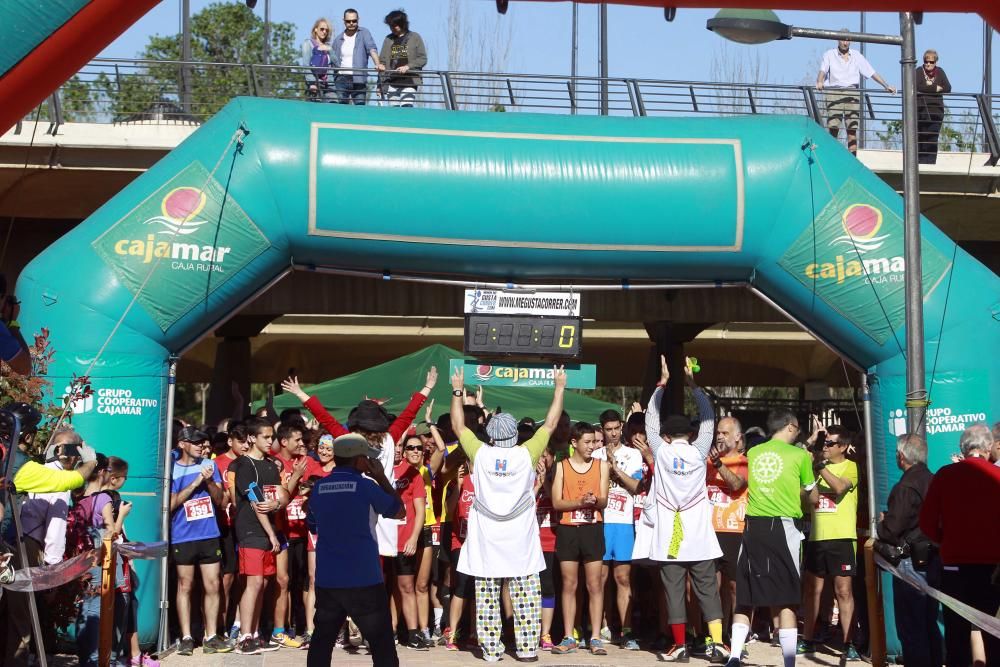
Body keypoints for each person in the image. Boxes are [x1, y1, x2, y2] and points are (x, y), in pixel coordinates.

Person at [450, 365, 566, 663]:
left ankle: (491, 650)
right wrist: (559, 388)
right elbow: (551, 424)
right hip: (520, 537)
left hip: (487, 536)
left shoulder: (480, 452)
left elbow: (458, 426)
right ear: (515, 433)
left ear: (489, 434)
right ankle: (527, 650)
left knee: (487, 595)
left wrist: (457, 391)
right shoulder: (527, 452)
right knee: (526, 594)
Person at [644, 355, 728, 664]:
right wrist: (693, 384)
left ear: (666, 435)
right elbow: (708, 418)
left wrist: (662, 385)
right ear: (689, 434)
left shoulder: (660, 450)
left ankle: (680, 646)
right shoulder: (700, 450)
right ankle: (718, 644)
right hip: (699, 536)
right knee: (708, 591)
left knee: (674, 592)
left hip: (669, 537)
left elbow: (650, 418)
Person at [726, 409, 817, 667]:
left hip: (753, 527)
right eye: (797, 429)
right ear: (790, 427)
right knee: (786, 596)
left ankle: (734, 655)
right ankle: (789, 662)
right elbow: (813, 497)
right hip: (784, 527)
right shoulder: (800, 455)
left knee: (746, 594)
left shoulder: (753, 453)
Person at [306, 433, 405, 667]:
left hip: (329, 578)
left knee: (322, 642)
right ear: (358, 459)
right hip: (364, 578)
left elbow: (311, 524)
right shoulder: (366, 486)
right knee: (381, 644)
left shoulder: (318, 488)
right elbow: (399, 511)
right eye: (366, 457)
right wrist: (381, 477)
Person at [919, 423, 1000, 667]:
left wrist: (946, 540)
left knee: (956, 634)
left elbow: (926, 522)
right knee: (994, 633)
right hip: (993, 567)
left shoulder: (945, 474)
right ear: (988, 448)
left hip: (954, 564)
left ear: (963, 450)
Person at [874, 434, 942, 667]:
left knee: (911, 626)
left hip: (910, 562)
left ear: (901, 456)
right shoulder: (934, 480)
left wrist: (882, 522)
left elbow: (892, 530)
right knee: (928, 621)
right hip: (933, 559)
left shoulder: (905, 487)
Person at [799, 423, 861, 661]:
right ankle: (808, 639)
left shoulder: (851, 467)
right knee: (812, 591)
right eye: (824, 443)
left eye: (830, 443)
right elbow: (806, 502)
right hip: (817, 537)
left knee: (843, 591)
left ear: (843, 447)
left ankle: (848, 642)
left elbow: (839, 487)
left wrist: (820, 467)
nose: (825, 447)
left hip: (843, 537)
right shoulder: (815, 468)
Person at [228, 417, 289, 655]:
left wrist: (277, 503)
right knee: (253, 582)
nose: (270, 441)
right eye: (265, 437)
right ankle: (244, 637)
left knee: (263, 583)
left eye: (271, 437)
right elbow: (255, 503)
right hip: (251, 530)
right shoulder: (244, 465)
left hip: (267, 530)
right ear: (252, 438)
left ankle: (253, 633)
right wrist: (272, 533)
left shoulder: (271, 465)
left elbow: (282, 495)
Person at [169, 426, 231, 655]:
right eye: (196, 442)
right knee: (185, 585)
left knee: (213, 584)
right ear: (182, 444)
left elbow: (221, 501)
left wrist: (210, 483)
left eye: (203, 442)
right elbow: (172, 503)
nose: (201, 446)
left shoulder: (209, 466)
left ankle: (211, 635)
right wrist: (195, 483)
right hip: (183, 535)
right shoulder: (172, 469)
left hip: (208, 534)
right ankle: (186, 636)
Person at [551, 420, 611, 656]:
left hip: (592, 528)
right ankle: (569, 636)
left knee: (595, 584)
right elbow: (557, 502)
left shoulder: (602, 466)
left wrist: (594, 501)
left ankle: (595, 636)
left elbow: (604, 499)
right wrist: (579, 502)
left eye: (594, 442)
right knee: (569, 584)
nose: (591, 447)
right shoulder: (562, 466)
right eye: (587, 442)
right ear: (574, 443)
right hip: (568, 529)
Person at [706, 416, 748, 646]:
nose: (720, 437)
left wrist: (719, 464)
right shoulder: (707, 462)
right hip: (709, 530)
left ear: (737, 437)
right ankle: (715, 635)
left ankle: (736, 632)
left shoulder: (744, 461)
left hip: (734, 531)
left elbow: (736, 485)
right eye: (718, 433)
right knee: (712, 585)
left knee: (733, 586)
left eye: (725, 433)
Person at [816, 36, 897, 155]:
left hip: (852, 93)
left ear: (851, 41)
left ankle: (852, 160)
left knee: (852, 129)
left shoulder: (857, 56)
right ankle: (830, 156)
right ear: (838, 40)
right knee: (833, 128)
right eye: (843, 39)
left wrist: (886, 85)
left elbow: (871, 72)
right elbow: (822, 70)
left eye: (847, 40)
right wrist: (819, 81)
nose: (845, 42)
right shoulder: (829, 54)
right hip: (834, 92)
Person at [394, 435, 430, 650]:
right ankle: (386, 632)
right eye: (396, 446)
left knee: (407, 586)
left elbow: (420, 511)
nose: (398, 450)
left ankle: (413, 633)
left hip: (405, 540)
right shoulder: (377, 471)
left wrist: (413, 537)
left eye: (401, 446)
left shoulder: (414, 474)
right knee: (386, 589)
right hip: (382, 541)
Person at [213, 423, 248, 641]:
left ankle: (239, 622)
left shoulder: (249, 462)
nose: (245, 446)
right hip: (222, 527)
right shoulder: (217, 463)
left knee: (243, 577)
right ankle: (220, 626)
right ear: (230, 441)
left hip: (245, 526)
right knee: (225, 579)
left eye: (248, 441)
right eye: (241, 441)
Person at [331, 8, 382, 105]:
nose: (351, 23)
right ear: (343, 21)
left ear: (358, 20)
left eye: (354, 21)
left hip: (359, 77)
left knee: (360, 108)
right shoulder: (338, 39)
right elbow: (333, 61)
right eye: (348, 21)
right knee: (341, 108)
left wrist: (378, 64)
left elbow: (372, 49)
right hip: (341, 79)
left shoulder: (364, 33)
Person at [377, 10, 427, 107]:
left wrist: (408, 67)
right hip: (391, 82)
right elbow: (382, 62)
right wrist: (379, 85)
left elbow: (423, 58)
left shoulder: (415, 37)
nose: (392, 28)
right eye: (390, 25)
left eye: (394, 25)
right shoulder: (388, 39)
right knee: (394, 111)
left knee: (406, 107)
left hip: (409, 81)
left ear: (402, 24)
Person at [915, 49, 952, 164]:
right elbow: (917, 86)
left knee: (932, 138)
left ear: (935, 62)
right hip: (921, 111)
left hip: (936, 111)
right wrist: (935, 88)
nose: (928, 64)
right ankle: (919, 163)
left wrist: (928, 87)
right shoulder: (918, 72)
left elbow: (948, 87)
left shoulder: (940, 72)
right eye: (926, 61)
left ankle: (930, 163)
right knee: (921, 137)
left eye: (931, 62)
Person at [302, 18, 335, 102]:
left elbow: (336, 64)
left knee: (334, 105)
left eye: (326, 30)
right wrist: (312, 83)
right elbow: (306, 65)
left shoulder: (328, 46)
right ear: (315, 29)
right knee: (316, 110)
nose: (324, 32)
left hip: (329, 85)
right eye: (322, 29)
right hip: (315, 84)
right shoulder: (308, 44)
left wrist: (330, 50)